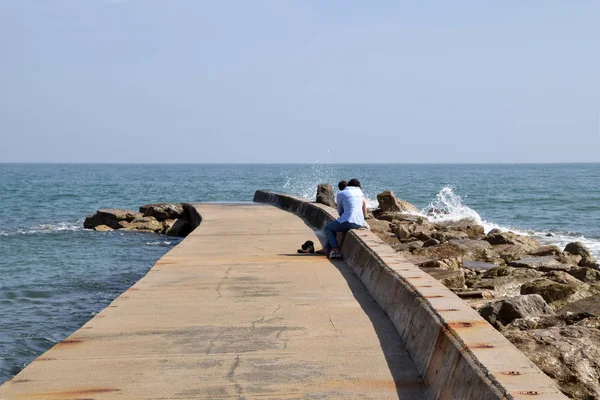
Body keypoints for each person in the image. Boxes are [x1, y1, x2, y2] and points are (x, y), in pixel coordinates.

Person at [318, 178, 367, 259]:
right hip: (359, 222)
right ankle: (326, 248)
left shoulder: (341, 193)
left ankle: (335, 249)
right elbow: (364, 212)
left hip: (348, 221)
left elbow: (340, 211)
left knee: (328, 228)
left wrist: (342, 218)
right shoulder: (360, 193)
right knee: (334, 226)